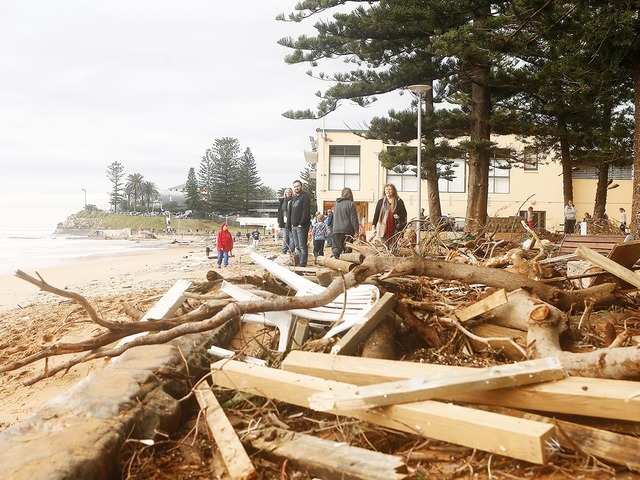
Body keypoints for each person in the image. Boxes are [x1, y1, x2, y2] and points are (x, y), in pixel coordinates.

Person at [287, 179, 312, 266]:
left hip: (302, 226)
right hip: (293, 226)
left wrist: (301, 223)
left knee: (302, 246)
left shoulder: (305, 196)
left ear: (301, 186)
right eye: (294, 186)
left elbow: (306, 211)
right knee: (297, 247)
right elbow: (290, 213)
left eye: (297, 186)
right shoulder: (293, 198)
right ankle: (297, 263)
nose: (296, 188)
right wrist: (289, 225)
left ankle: (302, 264)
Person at [331, 187, 360, 258]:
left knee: (336, 249)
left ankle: (336, 264)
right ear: (350, 195)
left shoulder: (336, 203)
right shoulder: (351, 204)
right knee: (347, 250)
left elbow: (334, 217)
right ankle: (345, 266)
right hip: (347, 230)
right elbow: (354, 219)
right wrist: (357, 230)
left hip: (336, 230)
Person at [277, 188, 294, 254]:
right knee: (285, 236)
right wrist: (279, 221)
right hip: (284, 221)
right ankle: (284, 250)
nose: (288, 193)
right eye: (287, 192)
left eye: (289, 191)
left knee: (291, 237)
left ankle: (290, 250)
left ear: (291, 193)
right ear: (285, 193)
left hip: (291, 221)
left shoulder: (293, 200)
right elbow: (279, 212)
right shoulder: (282, 201)